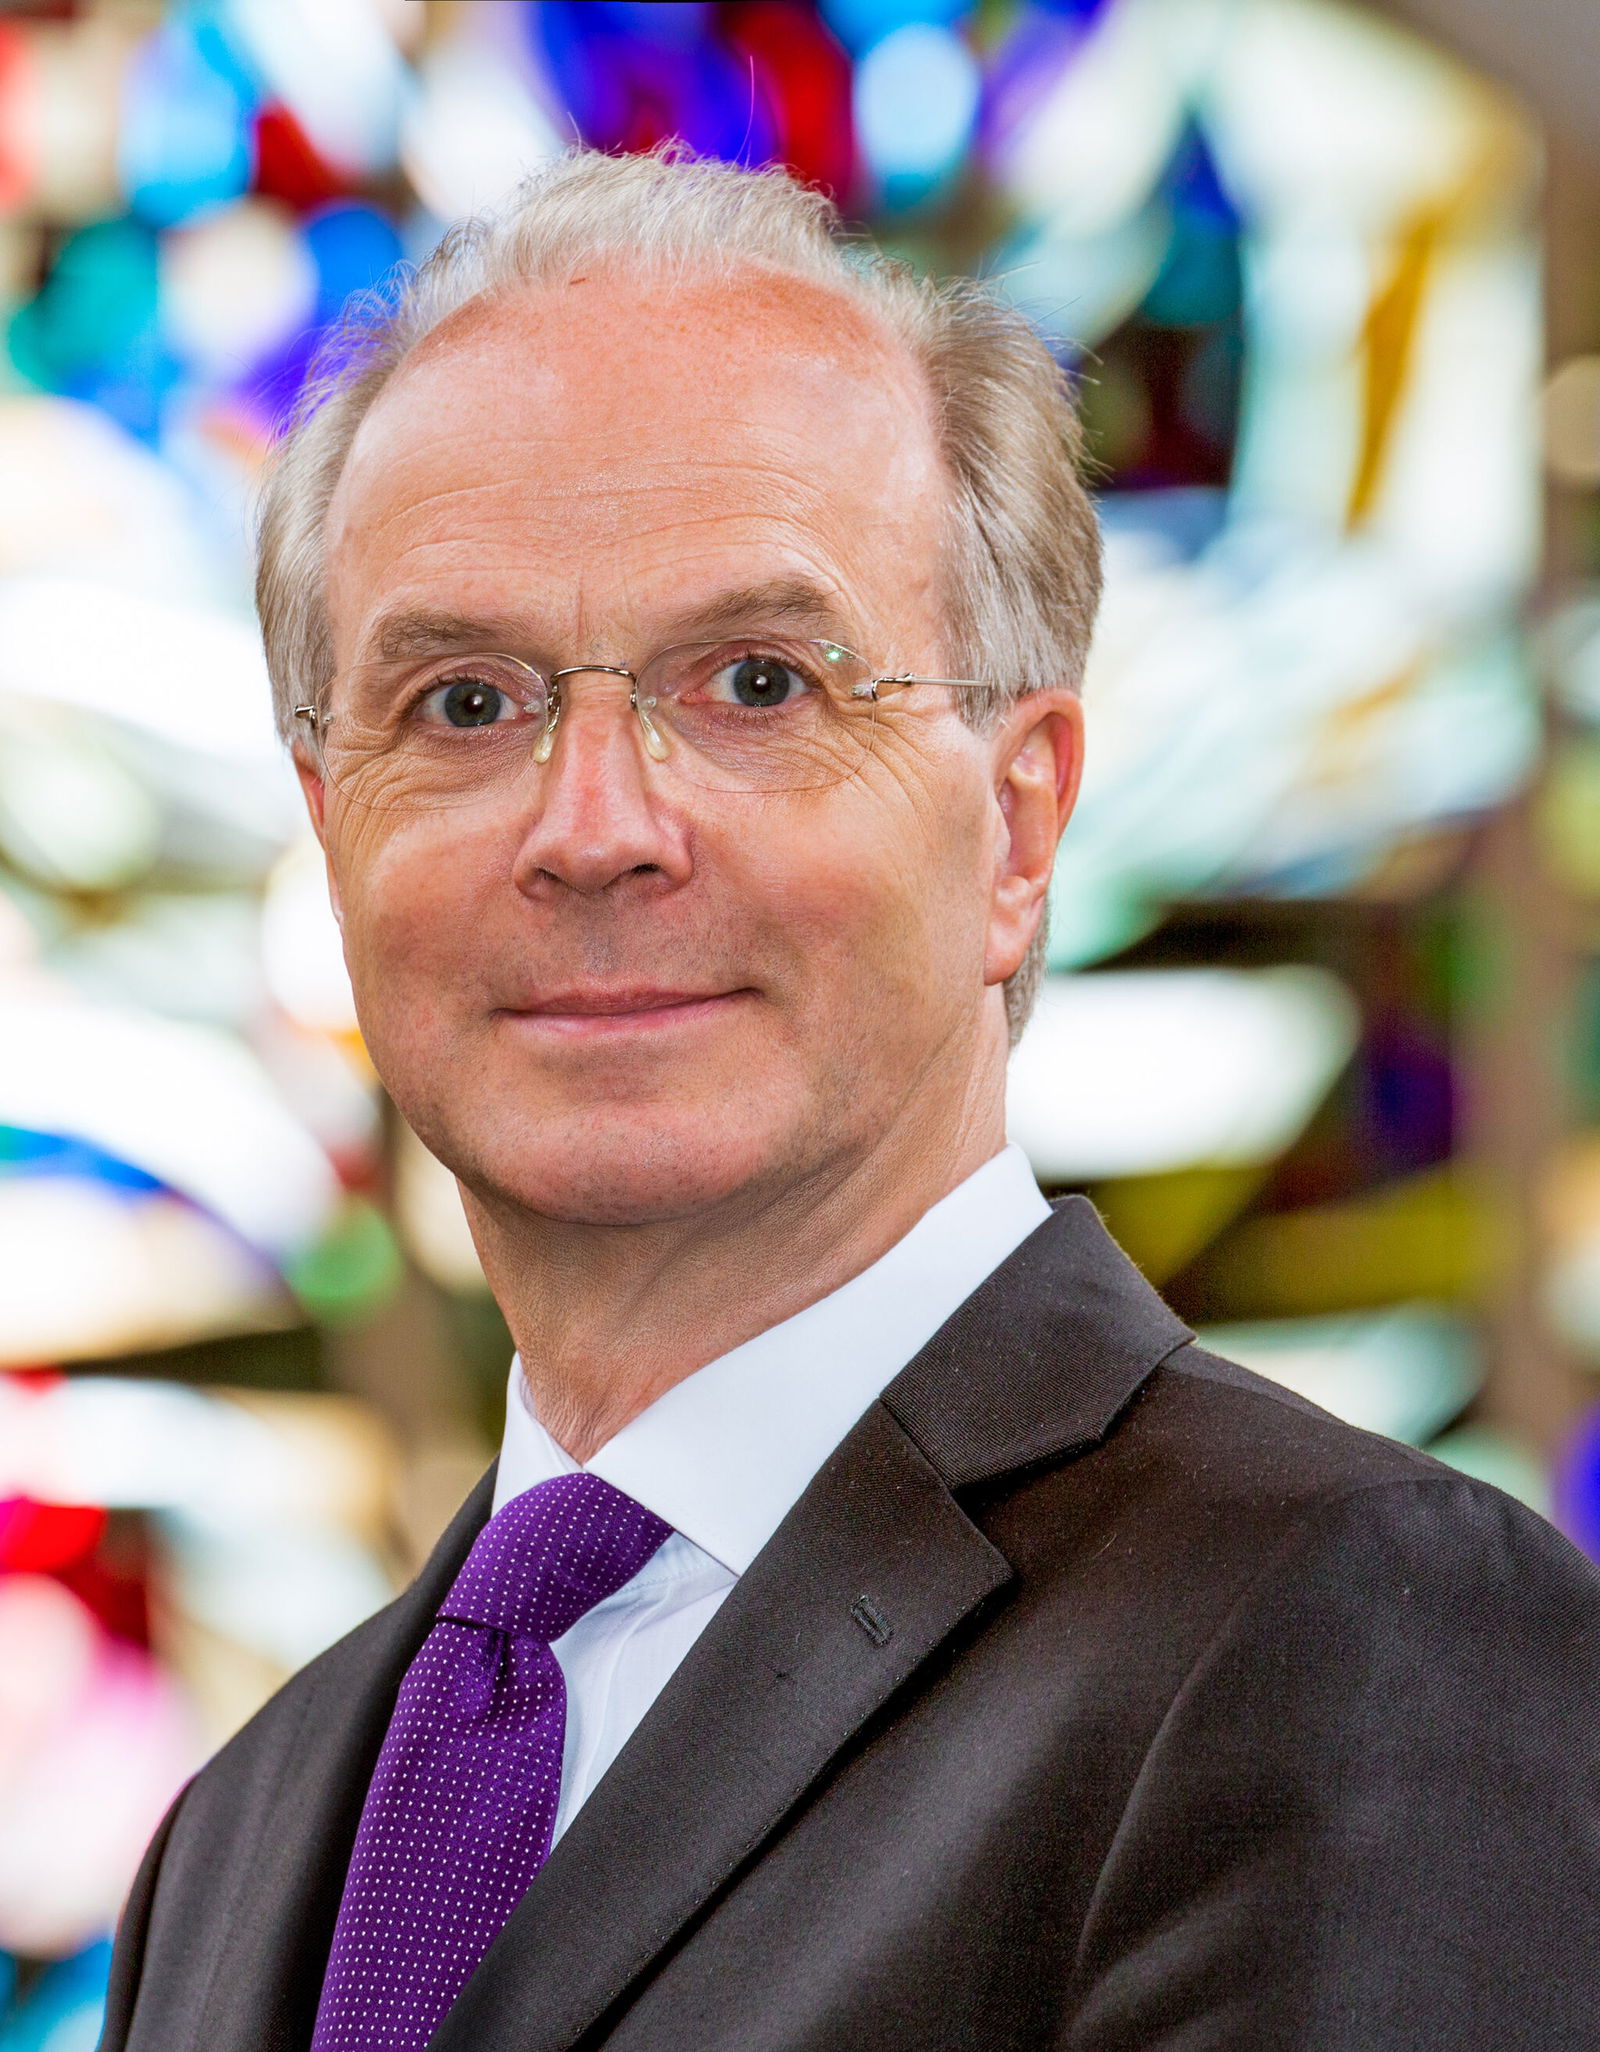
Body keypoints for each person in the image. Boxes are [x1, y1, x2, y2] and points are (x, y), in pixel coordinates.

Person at [101, 148, 1598, 2052]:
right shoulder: (233, 1845)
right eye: (465, 704)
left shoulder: (1349, 1630)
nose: (595, 828)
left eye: (756, 683)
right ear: (329, 834)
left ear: (1017, 827)